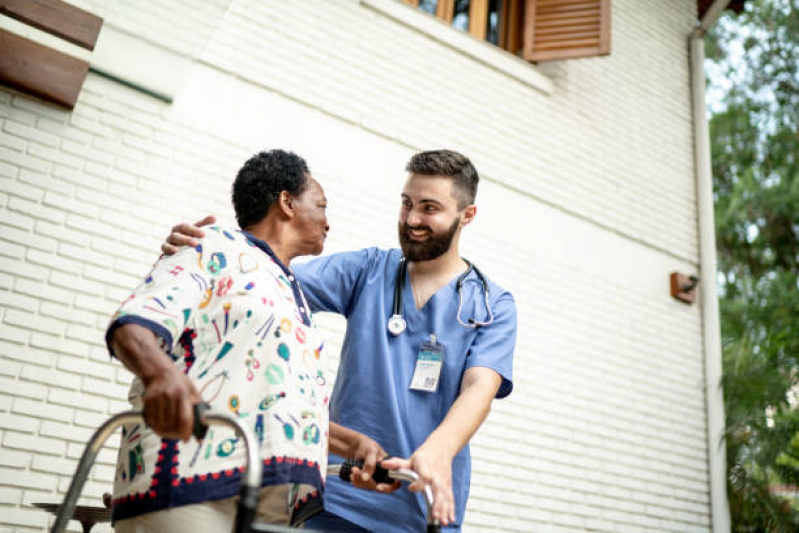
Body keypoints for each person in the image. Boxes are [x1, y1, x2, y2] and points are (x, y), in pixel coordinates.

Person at [162, 149, 517, 532]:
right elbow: (265, 278)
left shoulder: (491, 303)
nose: (412, 219)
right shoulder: (368, 270)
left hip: (424, 504)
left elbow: (480, 387)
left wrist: (438, 452)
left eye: (429, 208)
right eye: (406, 203)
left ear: (467, 215)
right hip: (337, 495)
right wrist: (208, 252)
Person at [107, 149, 383, 532]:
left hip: (269, 498)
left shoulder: (290, 290)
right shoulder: (212, 244)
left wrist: (355, 446)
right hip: (190, 484)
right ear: (286, 202)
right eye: (320, 206)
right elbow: (133, 323)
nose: (327, 222)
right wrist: (160, 375)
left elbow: (274, 400)